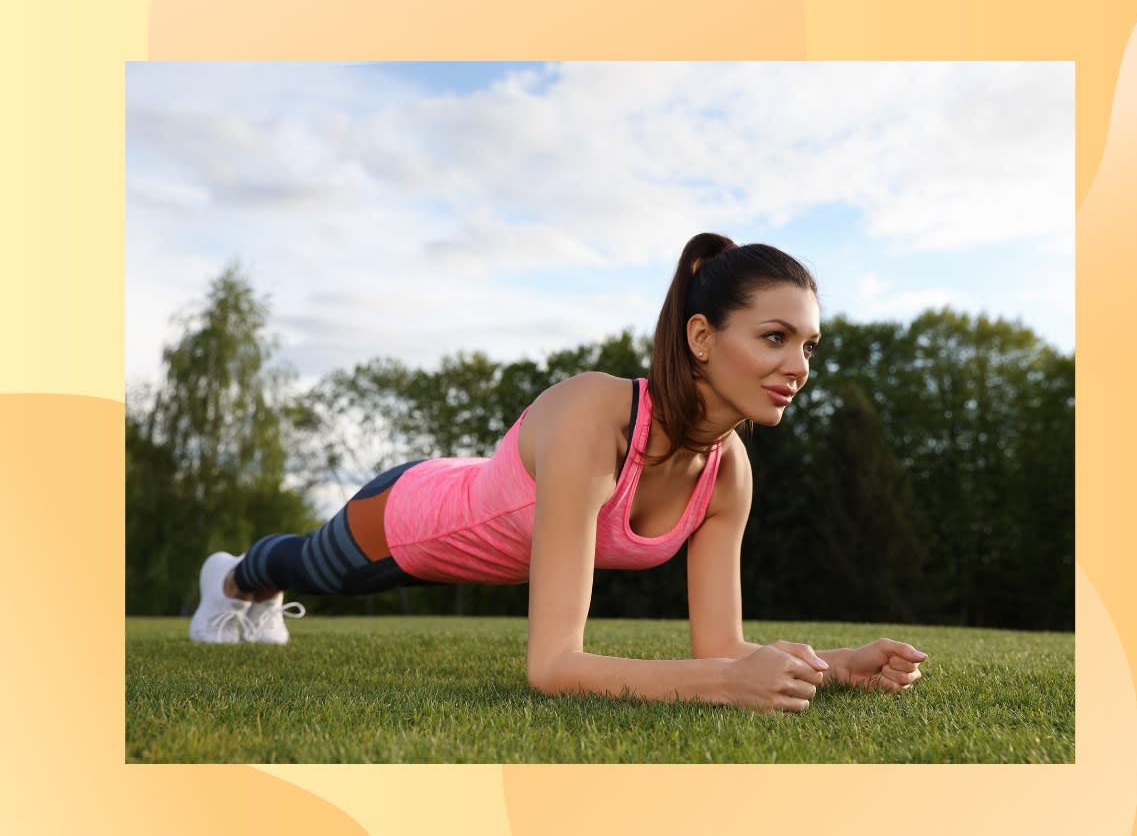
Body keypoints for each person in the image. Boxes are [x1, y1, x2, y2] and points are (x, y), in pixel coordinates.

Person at [189, 232, 927, 713]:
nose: (799, 367)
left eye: (809, 345)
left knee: (322, 567)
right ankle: (233, 579)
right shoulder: (593, 415)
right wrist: (725, 687)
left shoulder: (729, 471)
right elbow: (553, 665)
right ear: (701, 336)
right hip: (415, 516)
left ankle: (250, 582)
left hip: (482, 516)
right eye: (776, 337)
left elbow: (722, 650)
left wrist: (842, 666)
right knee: (315, 565)